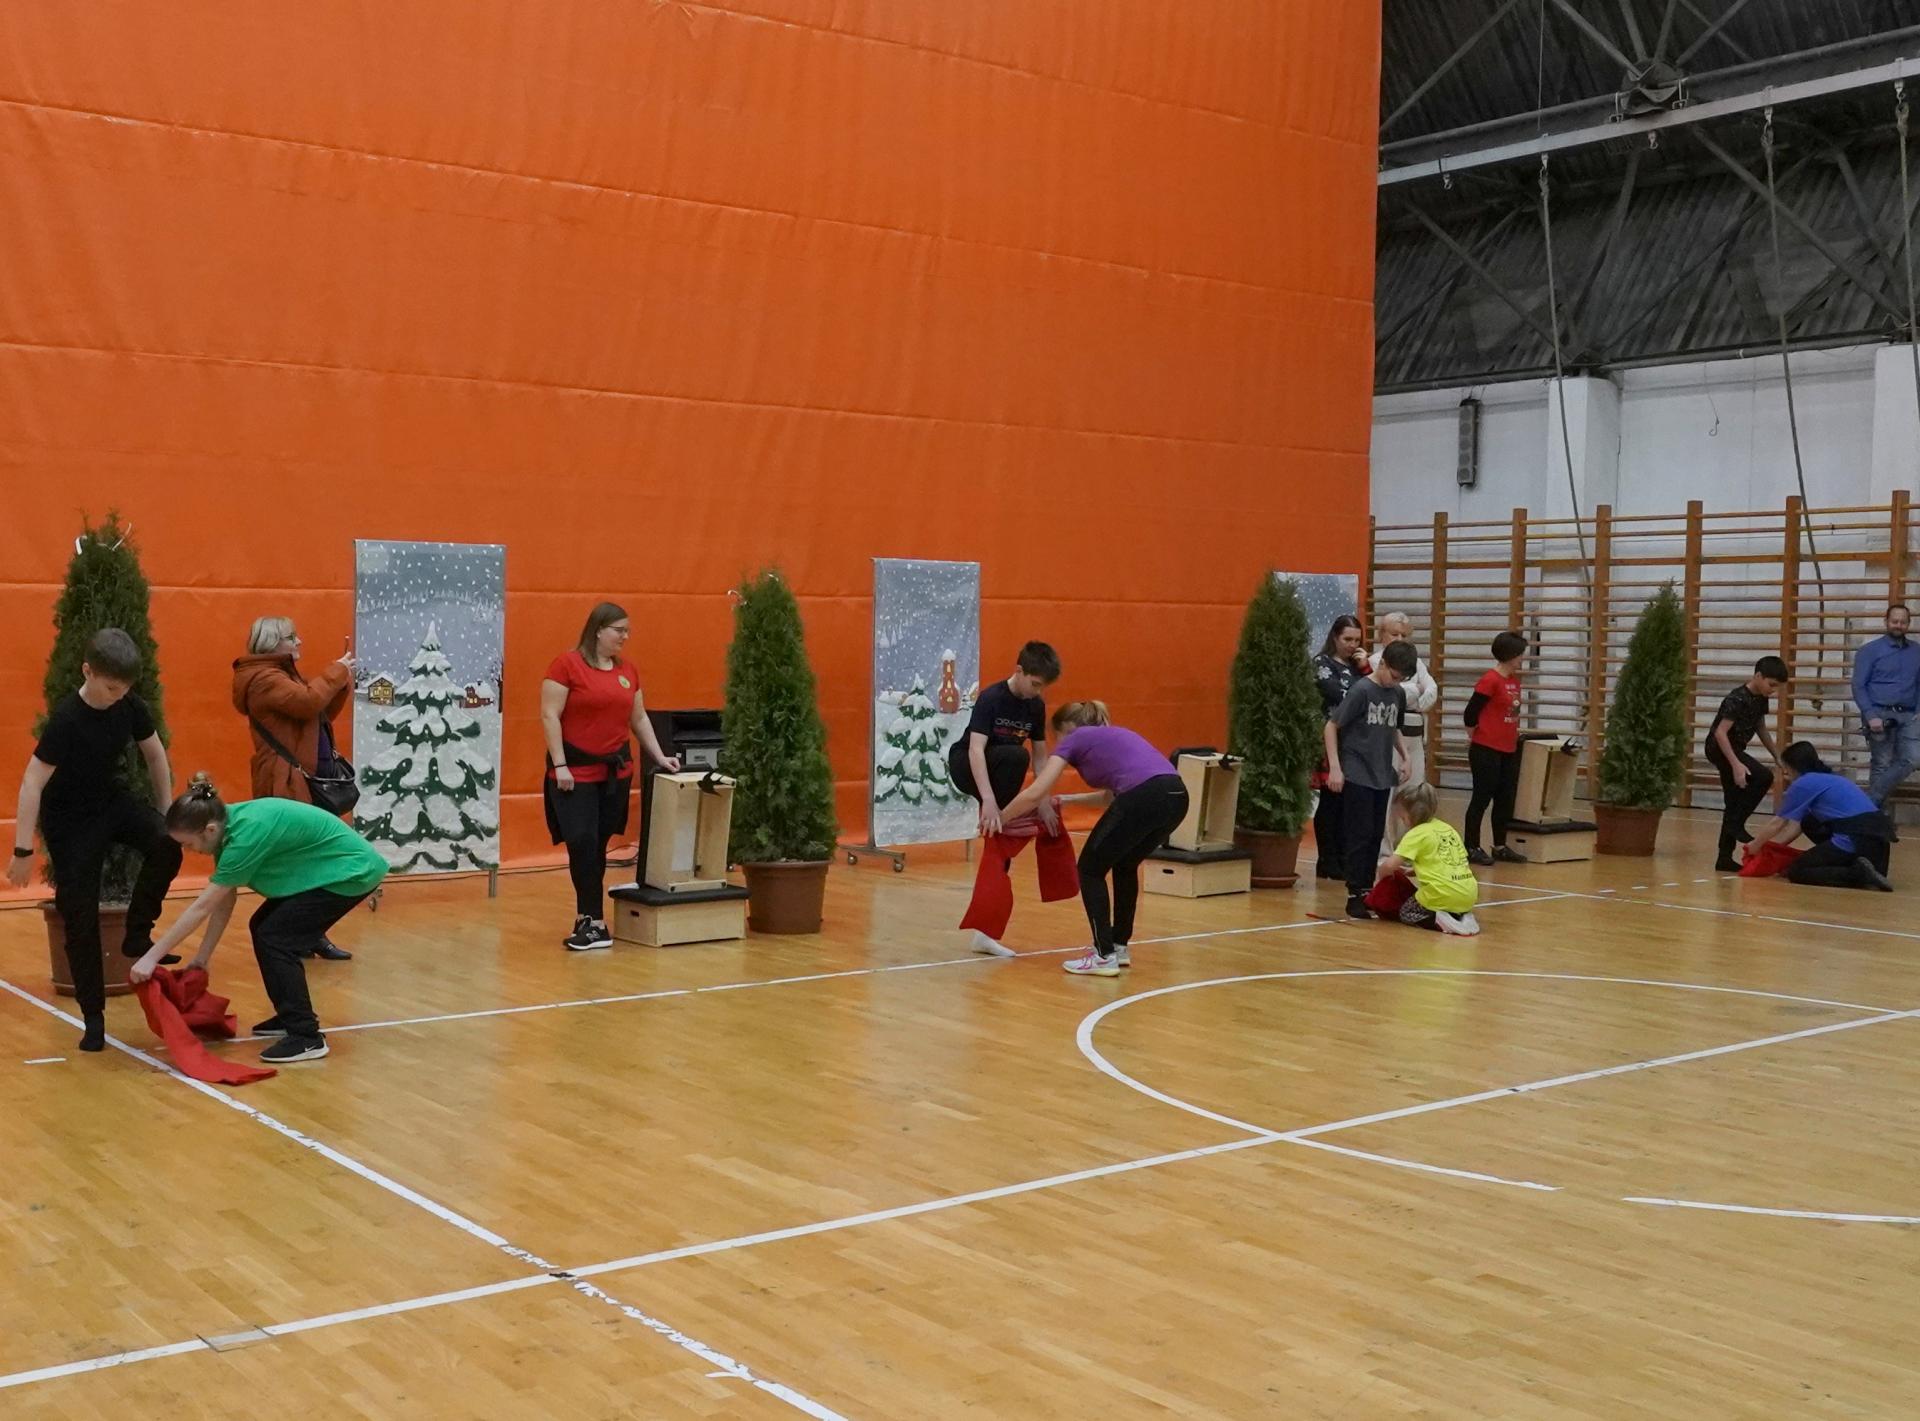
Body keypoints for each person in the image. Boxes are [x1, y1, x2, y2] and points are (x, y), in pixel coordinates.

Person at [7, 629, 183, 1053]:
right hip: (70, 821)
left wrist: (166, 814)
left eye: (124, 689)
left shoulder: (129, 705)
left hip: (110, 800)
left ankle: (137, 933)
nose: (118, 696)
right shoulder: (67, 720)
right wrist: (23, 849)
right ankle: (93, 1017)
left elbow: (154, 754)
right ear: (88, 672)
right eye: (110, 688)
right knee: (80, 914)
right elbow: (32, 782)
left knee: (166, 844)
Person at [130, 778, 390, 1062]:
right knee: (264, 928)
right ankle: (291, 1016)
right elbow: (224, 901)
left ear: (209, 830)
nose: (188, 850)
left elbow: (202, 907)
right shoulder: (227, 827)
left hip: (353, 872)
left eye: (188, 844)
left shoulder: (245, 836)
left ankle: (306, 1037)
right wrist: (202, 958)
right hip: (332, 870)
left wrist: (150, 958)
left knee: (275, 937)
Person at [1001, 701, 1188, 977]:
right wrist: (1066, 800)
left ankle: (1103, 955)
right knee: (1125, 864)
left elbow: (1036, 791)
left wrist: (999, 818)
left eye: (1055, 738)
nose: (1057, 746)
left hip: (1145, 796)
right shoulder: (1112, 735)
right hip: (1177, 796)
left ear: (1066, 729)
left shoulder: (1075, 737)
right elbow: (1111, 796)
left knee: (1090, 869)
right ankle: (1118, 946)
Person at [540, 603, 680, 951]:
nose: (625, 637)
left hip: (615, 774)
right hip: (575, 774)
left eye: (627, 631)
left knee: (597, 845)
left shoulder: (627, 671)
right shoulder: (566, 665)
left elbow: (639, 718)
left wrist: (659, 756)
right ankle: (595, 922)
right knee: (582, 841)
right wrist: (560, 765)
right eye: (619, 630)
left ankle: (588, 918)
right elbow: (550, 715)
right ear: (598, 630)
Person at [232, 615, 358, 960]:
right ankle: (291, 932)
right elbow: (307, 703)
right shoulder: (264, 679)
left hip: (301, 779)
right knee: (301, 860)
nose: (299, 641)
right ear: (273, 643)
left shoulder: (279, 675)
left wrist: (340, 685)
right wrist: (336, 672)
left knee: (309, 859)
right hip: (286, 781)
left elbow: (316, 716)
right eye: (292, 637)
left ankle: (306, 933)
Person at [948, 641, 1060, 956]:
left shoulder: (1035, 706)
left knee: (1001, 838)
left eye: (1043, 687)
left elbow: (1041, 757)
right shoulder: (992, 698)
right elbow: (975, 750)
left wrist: (1043, 800)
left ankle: (984, 933)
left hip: (1002, 772)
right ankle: (997, 820)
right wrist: (988, 800)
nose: (1038, 691)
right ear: (1019, 671)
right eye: (1035, 684)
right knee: (1015, 756)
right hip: (967, 765)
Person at [1326, 639, 1413, 919]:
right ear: (1382, 664)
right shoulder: (1362, 690)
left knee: (1375, 835)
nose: (1395, 682)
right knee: (1359, 834)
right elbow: (1332, 726)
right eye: (1394, 675)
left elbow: (1394, 727)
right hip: (1357, 771)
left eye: (1401, 679)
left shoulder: (1396, 693)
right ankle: (1354, 893)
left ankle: (1366, 890)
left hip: (1381, 773)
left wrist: (1405, 756)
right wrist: (1335, 767)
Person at [1744, 742, 1893, 891]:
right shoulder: (1831, 778)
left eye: (1786, 768)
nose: (1785, 772)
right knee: (1809, 822)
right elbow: (1797, 826)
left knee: (1797, 871)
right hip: (1879, 843)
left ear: (1792, 767)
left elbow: (1777, 823)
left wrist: (1755, 846)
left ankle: (1857, 873)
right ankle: (1860, 868)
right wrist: (1773, 849)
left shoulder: (1803, 784)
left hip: (1855, 837)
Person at [1705, 655, 1788, 873]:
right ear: (1758, 676)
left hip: (1735, 749)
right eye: (1771, 685)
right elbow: (1720, 733)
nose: (1773, 691)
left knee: (1733, 800)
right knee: (1763, 776)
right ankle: (1736, 823)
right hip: (1719, 747)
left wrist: (1776, 756)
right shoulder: (1737, 698)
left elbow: (1760, 727)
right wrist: (1736, 765)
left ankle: (1724, 857)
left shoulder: (1761, 698)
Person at [1371, 783, 1480, 935]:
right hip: (1469, 894)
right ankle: (1461, 915)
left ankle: (1438, 918)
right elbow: (1447, 862)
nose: (1403, 822)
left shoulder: (1416, 834)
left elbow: (1389, 866)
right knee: (1445, 899)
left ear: (1411, 814)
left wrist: (1382, 878)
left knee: (1406, 912)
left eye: (1403, 818)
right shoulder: (1448, 829)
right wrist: (1414, 870)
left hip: (1441, 894)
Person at [1462, 631, 1528, 867]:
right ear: (1510, 655)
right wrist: (1476, 735)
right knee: (1481, 797)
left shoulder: (1514, 681)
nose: (1522, 658)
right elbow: (1470, 713)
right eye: (1520, 654)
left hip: (1508, 748)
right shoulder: (1490, 680)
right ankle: (1471, 846)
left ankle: (1500, 845)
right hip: (1486, 749)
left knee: (1505, 799)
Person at [1311, 615, 1370, 881]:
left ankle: (1346, 856)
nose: (1352, 645)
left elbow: (1374, 692)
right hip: (1331, 740)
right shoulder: (1322, 664)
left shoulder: (1360, 668)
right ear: (1335, 637)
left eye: (1357, 640)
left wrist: (1365, 667)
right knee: (1331, 801)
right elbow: (1344, 697)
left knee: (1350, 803)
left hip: (1356, 743)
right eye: (1347, 639)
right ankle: (1327, 859)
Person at [1375, 612, 1438, 854]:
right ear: (1382, 635)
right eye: (1394, 634)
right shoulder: (1375, 661)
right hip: (1391, 736)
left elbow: (1431, 691)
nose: (1400, 639)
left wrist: (1416, 695)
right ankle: (1384, 850)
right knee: (1387, 793)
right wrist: (1413, 690)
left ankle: (1409, 848)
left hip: (1416, 736)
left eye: (1404, 635)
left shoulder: (1417, 662)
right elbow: (1397, 694)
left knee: (1414, 793)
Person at [1851, 604, 1920, 806]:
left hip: (1909, 715)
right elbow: (1858, 685)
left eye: (1903, 622)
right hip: (1878, 713)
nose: (1899, 625)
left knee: (1913, 759)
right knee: (1881, 764)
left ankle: (1868, 804)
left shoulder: (1917, 651)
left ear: (1909, 624)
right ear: (1886, 622)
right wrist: (1870, 715)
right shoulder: (1869, 651)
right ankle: (1878, 816)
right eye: (1894, 621)